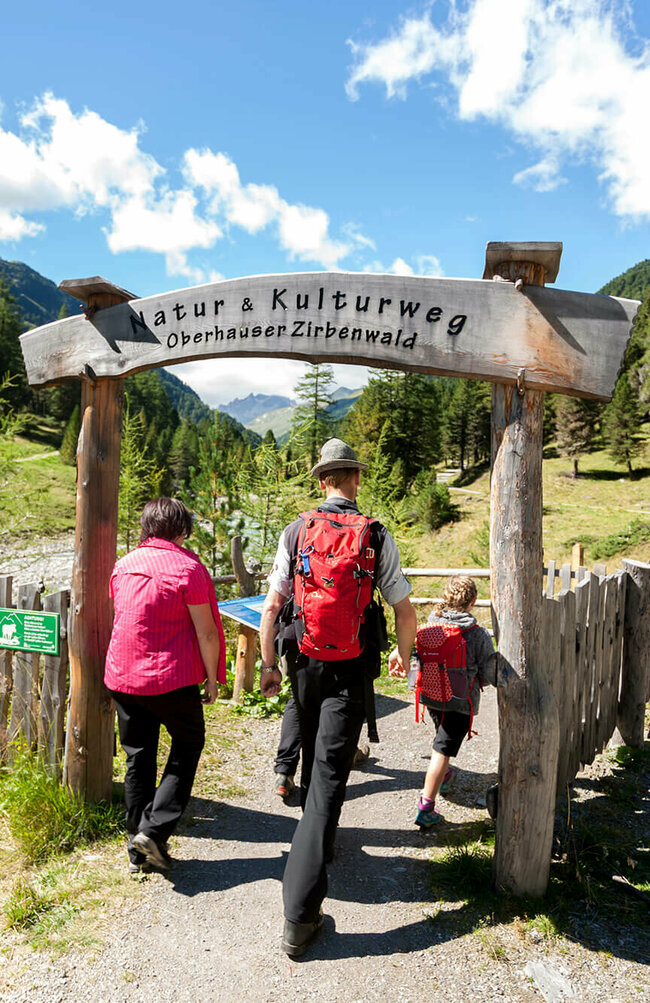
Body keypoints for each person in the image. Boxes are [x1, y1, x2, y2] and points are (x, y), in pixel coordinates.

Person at [260, 437, 416, 957]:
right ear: (352, 479)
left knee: (312, 758)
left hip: (303, 662)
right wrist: (403, 654)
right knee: (328, 779)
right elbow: (404, 608)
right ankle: (300, 917)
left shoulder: (297, 529)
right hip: (350, 667)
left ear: (322, 480)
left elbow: (272, 606)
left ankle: (319, 842)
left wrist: (266, 666)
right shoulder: (374, 533)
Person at [105, 497, 226, 874]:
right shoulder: (189, 569)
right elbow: (206, 632)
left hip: (124, 678)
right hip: (172, 679)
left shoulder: (123, 566)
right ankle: (154, 831)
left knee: (138, 756)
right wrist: (212, 677)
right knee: (188, 744)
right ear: (182, 529)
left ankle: (136, 847)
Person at [389, 575, 495, 829]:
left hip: (432, 696)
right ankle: (426, 807)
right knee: (442, 750)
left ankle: (443, 776)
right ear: (473, 601)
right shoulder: (476, 634)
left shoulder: (430, 626)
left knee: (442, 737)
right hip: (460, 701)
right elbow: (489, 673)